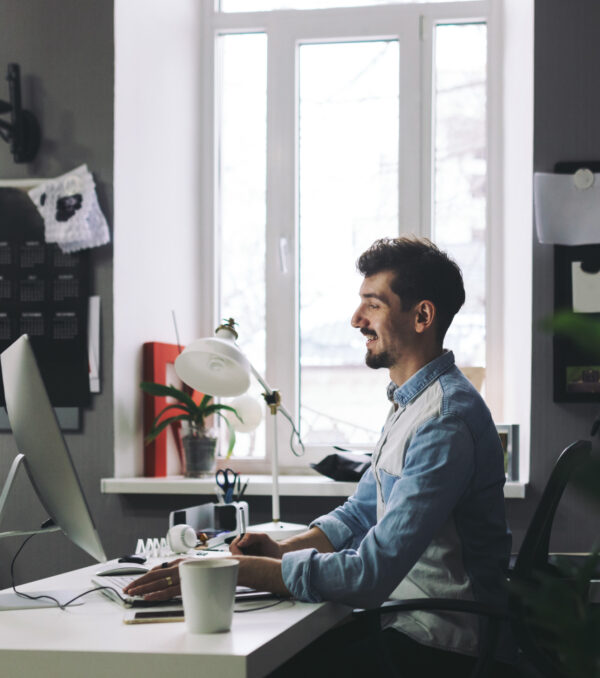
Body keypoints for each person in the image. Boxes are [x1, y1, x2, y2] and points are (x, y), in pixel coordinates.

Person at [125, 236, 516, 676]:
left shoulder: (444, 420)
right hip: (402, 619)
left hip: (439, 642)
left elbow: (370, 575)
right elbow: (359, 513)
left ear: (422, 315)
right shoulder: (412, 403)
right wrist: (279, 550)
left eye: (373, 304)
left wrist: (234, 569)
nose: (356, 320)